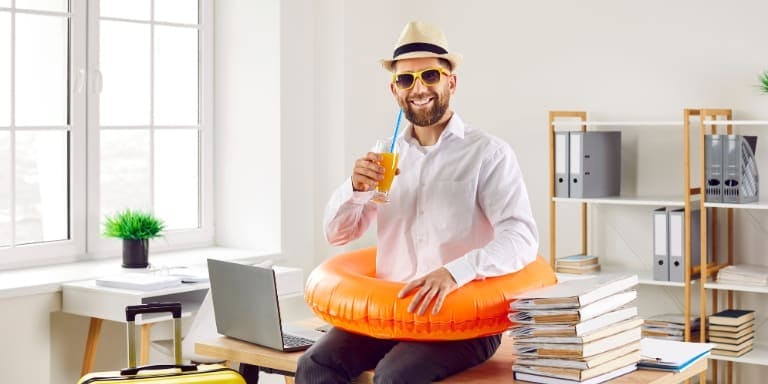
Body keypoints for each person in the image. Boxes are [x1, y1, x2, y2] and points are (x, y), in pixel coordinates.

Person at [295, 21, 539, 384]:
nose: (419, 88)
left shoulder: (488, 153)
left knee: (395, 377)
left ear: (451, 82)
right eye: (407, 80)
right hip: (391, 311)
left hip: (462, 319)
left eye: (430, 75)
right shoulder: (385, 153)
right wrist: (355, 188)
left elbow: (521, 237)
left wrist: (454, 271)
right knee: (314, 365)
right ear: (394, 90)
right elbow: (337, 235)